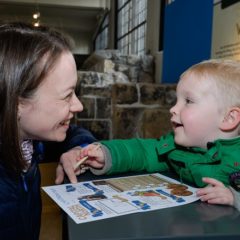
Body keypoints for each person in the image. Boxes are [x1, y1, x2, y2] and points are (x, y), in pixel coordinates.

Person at [68, 58, 240, 198]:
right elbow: (143, 151)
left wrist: (234, 199)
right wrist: (107, 154)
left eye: (188, 101)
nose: (173, 109)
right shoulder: (174, 145)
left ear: (228, 118)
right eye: (177, 100)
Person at [0, 22, 96, 240]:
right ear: (16, 104)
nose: (78, 106)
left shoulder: (28, 141)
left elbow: (73, 134)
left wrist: (79, 150)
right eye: (67, 95)